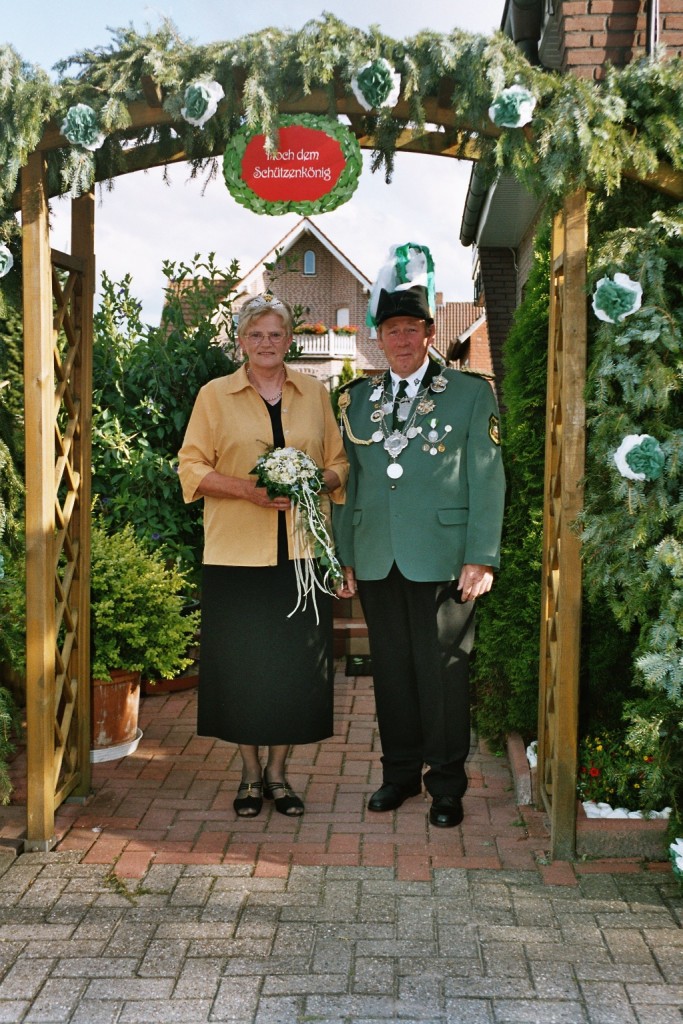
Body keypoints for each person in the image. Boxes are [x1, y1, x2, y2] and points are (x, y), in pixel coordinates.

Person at [334, 244, 505, 828]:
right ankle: (400, 776)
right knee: (393, 673)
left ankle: (448, 785)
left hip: (444, 559)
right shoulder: (357, 401)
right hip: (378, 558)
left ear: (429, 333)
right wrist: (345, 556)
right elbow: (348, 485)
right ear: (378, 337)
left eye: (411, 328)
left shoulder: (469, 393)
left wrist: (481, 556)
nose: (402, 340)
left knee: (445, 675)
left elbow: (487, 480)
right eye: (391, 330)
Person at [178, 294, 348, 819]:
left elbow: (339, 463)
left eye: (276, 334)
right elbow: (190, 467)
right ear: (241, 341)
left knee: (295, 670)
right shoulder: (214, 395)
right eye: (256, 335)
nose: (266, 344)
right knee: (243, 670)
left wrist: (315, 480)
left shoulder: (315, 392)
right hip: (236, 557)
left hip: (303, 554)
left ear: (289, 339)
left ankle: (279, 775)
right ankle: (250, 775)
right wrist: (247, 490)